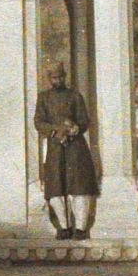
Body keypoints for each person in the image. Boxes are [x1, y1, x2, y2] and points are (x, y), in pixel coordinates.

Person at [34, 64, 99, 239]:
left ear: (65, 77)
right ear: (50, 79)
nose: (58, 80)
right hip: (55, 146)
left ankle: (80, 228)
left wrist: (76, 128)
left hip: (76, 147)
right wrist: (56, 131)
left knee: (80, 186)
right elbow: (39, 122)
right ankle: (63, 227)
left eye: (61, 77)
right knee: (56, 187)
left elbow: (84, 120)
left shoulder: (75, 96)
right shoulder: (44, 98)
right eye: (54, 78)